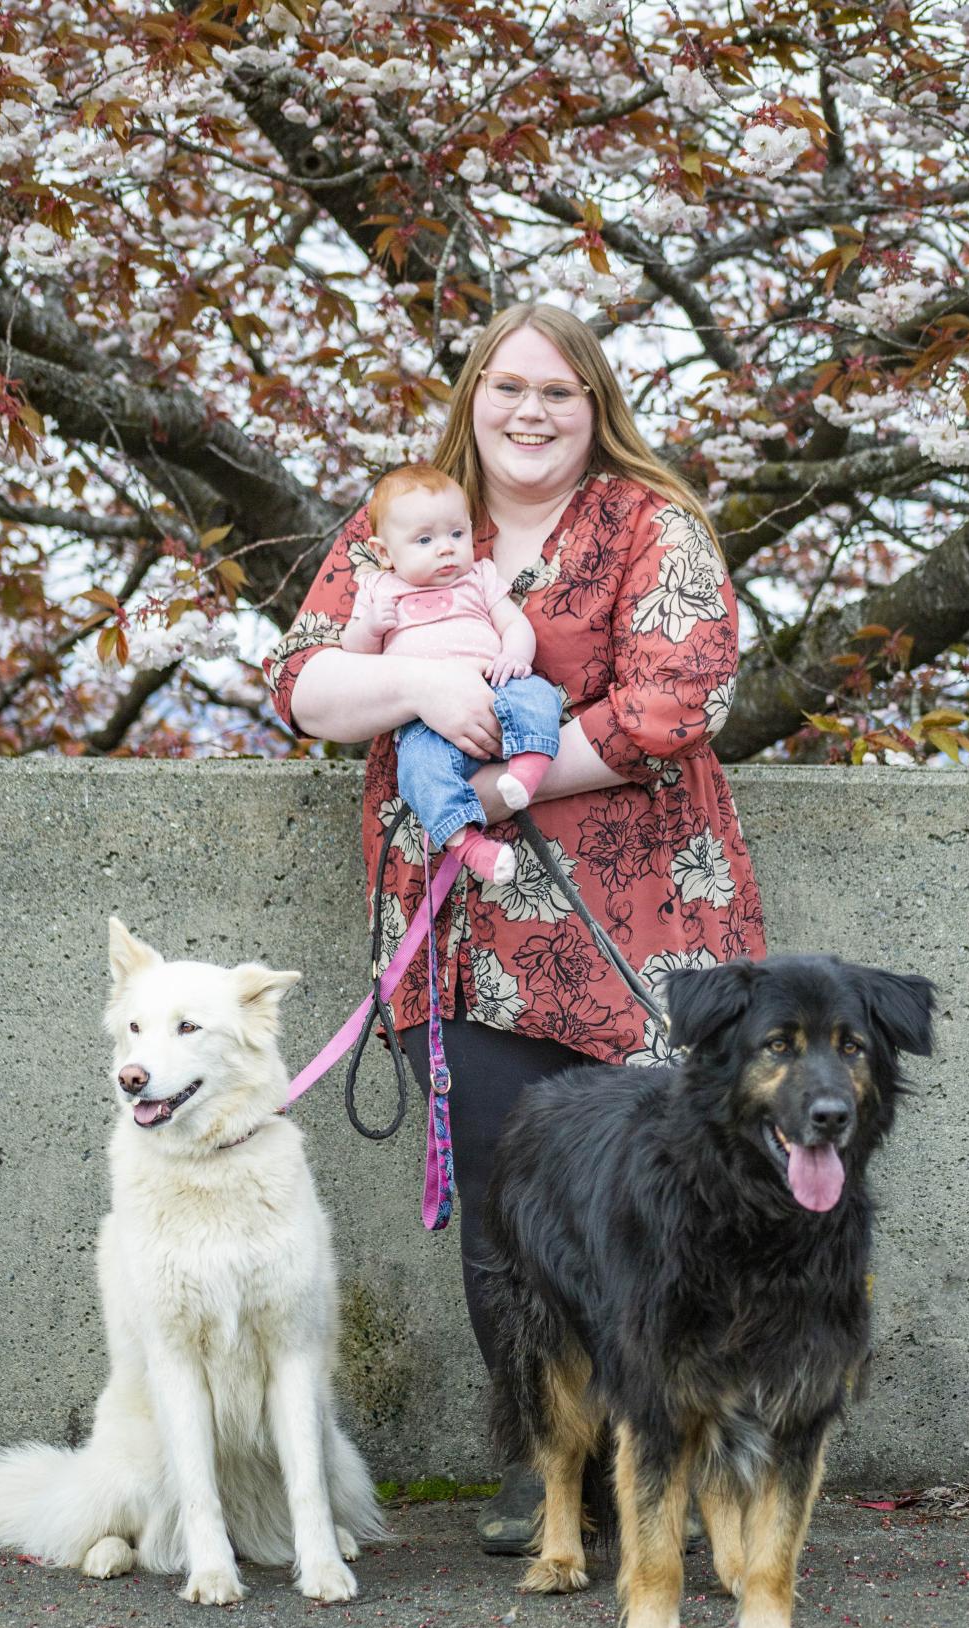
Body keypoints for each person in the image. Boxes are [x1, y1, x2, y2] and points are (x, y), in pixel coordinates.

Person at [263, 303, 766, 1551]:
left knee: (675, 1192)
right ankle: (551, 1464)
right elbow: (306, 681)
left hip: (644, 920)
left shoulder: (655, 527)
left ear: (595, 406)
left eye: (558, 391)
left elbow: (671, 700)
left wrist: (503, 785)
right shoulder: (405, 528)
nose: (529, 411)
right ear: (472, 398)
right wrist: (424, 684)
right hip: (461, 930)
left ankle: (682, 1447)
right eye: (507, 387)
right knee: (508, 1201)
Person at [341, 463, 561, 886]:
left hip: (494, 684)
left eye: (457, 534)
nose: (446, 548)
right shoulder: (378, 590)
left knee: (539, 696)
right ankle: (469, 844)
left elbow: (513, 623)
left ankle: (526, 771)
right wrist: (370, 627)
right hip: (426, 723)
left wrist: (515, 657)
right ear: (385, 552)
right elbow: (355, 657)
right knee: (418, 773)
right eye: (425, 540)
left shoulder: (478, 578)